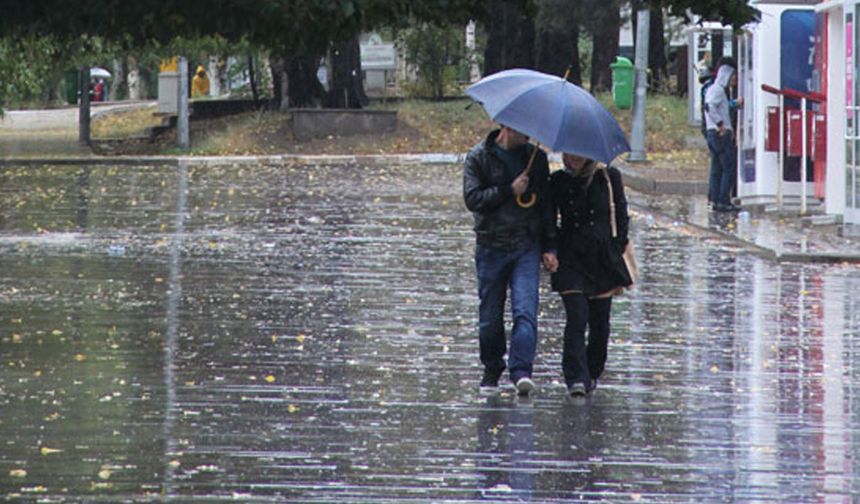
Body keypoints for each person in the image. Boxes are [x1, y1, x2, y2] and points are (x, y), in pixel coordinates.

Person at [463, 125, 558, 396]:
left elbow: (545, 204)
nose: (527, 134)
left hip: (525, 245)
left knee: (526, 310)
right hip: (490, 246)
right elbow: (473, 199)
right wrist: (509, 190)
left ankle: (521, 371)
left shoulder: (535, 158)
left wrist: (550, 245)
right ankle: (492, 368)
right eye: (521, 129)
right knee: (490, 316)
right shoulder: (479, 157)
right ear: (506, 127)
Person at [546, 153, 632, 397]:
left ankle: (593, 371)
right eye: (567, 154)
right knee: (576, 317)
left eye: (577, 155)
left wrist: (617, 246)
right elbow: (550, 220)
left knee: (600, 323)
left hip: (602, 259)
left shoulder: (608, 177)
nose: (571, 159)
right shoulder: (558, 181)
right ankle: (575, 376)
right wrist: (550, 249)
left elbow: (621, 214)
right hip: (571, 258)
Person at [705, 58, 743, 212]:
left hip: (712, 133)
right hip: (720, 134)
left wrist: (734, 104)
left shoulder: (714, 90)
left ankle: (716, 200)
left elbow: (722, 107)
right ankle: (724, 200)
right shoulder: (718, 90)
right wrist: (721, 125)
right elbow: (710, 107)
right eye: (733, 77)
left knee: (717, 168)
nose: (734, 81)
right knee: (728, 167)